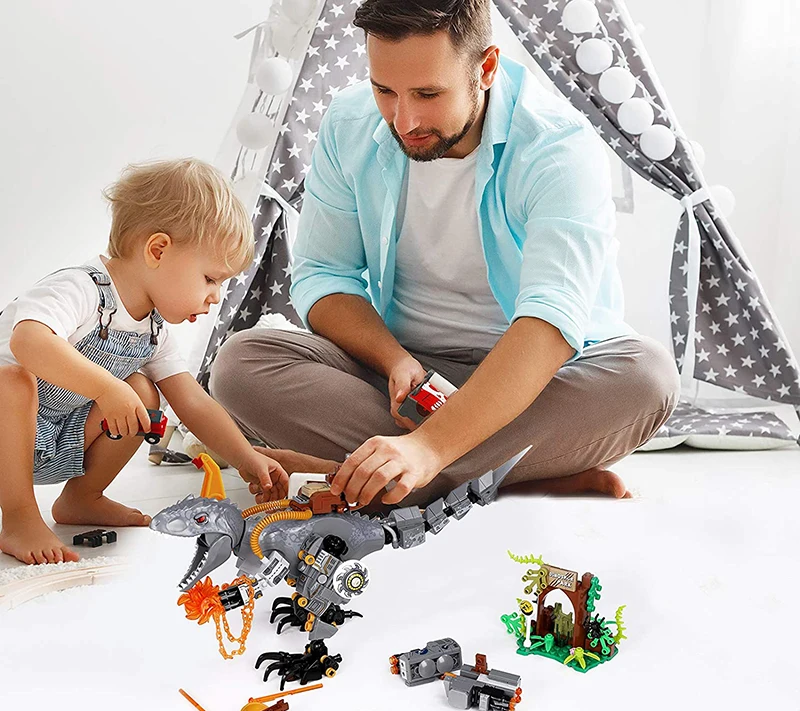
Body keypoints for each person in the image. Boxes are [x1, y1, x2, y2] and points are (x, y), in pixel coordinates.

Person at [210, 0, 680, 510]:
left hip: (535, 380)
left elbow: (550, 320)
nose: (404, 119)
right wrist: (394, 360)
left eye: (428, 94)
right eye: (384, 90)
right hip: (402, 377)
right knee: (241, 363)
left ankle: (399, 473)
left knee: (647, 376)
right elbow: (324, 276)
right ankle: (505, 475)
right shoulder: (349, 122)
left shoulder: (557, 147)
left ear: (486, 68)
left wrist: (429, 448)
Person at [0, 159, 288, 566]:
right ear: (158, 250)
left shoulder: (153, 332)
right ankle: (18, 516)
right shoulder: (80, 288)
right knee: (11, 381)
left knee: (143, 392)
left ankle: (82, 497)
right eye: (210, 279)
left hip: (52, 441)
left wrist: (247, 457)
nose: (215, 297)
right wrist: (106, 387)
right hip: (7, 434)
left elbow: (194, 402)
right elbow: (28, 340)